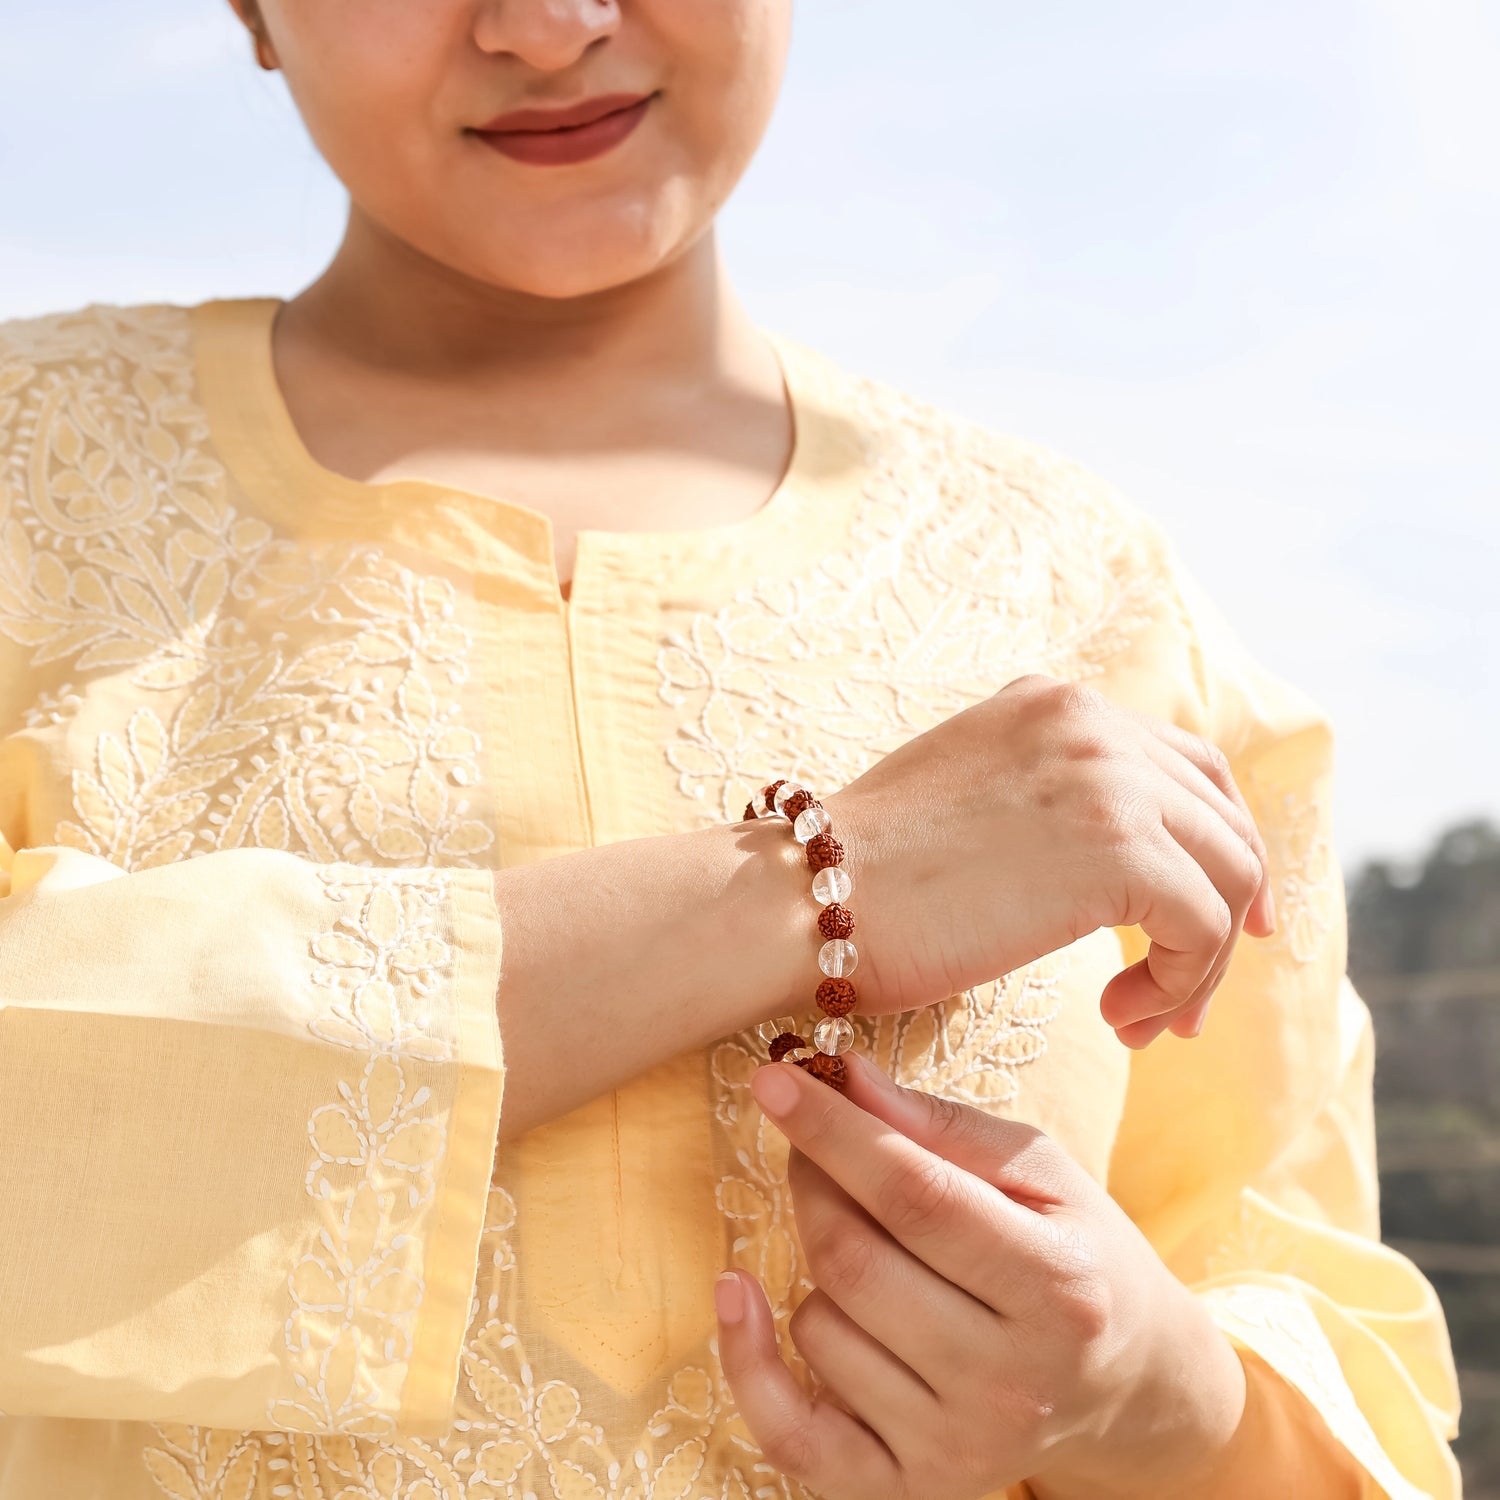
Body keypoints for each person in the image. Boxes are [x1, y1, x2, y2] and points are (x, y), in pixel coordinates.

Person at [0, 2, 1463, 1497]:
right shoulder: (25, 475)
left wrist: (1150, 1398)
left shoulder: (1091, 591)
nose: (550, 28)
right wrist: (813, 886)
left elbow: (1329, 1348)